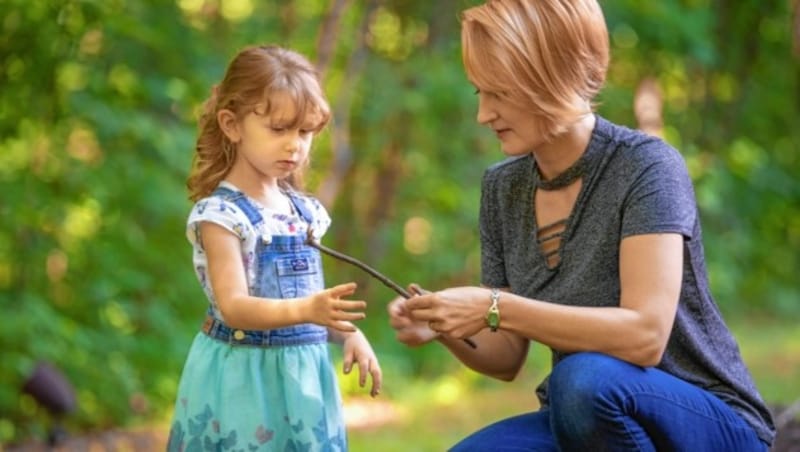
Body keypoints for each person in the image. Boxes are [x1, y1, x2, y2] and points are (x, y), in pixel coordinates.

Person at [387, 1, 776, 450]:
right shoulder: (502, 188)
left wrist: (494, 306)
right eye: (480, 93)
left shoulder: (646, 167)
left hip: (707, 422)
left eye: (500, 93)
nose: (483, 115)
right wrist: (444, 327)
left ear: (551, 76)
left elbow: (645, 336)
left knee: (582, 378)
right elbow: (508, 357)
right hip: (585, 419)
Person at [167, 44, 381, 452]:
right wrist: (308, 311)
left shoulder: (303, 211)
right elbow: (234, 306)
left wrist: (348, 332)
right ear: (232, 125)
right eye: (279, 129)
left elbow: (307, 299)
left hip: (302, 379)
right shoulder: (222, 215)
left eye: (305, 132)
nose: (294, 146)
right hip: (244, 378)